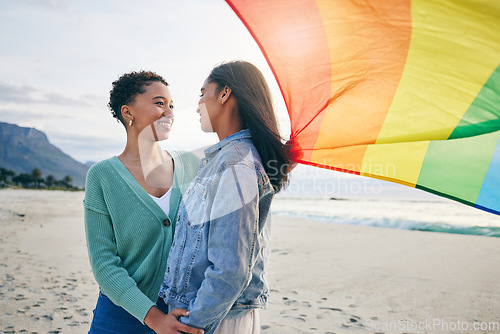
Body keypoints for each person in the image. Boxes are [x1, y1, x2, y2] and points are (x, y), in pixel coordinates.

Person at [159, 61, 293, 334]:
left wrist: (193, 323)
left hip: (215, 319)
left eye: (202, 93)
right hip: (207, 312)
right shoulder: (222, 160)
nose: (197, 105)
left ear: (224, 94)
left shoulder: (236, 165)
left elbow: (230, 270)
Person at [84, 71, 204, 334]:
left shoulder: (192, 165)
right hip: (120, 314)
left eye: (172, 105)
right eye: (160, 103)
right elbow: (104, 262)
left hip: (183, 313)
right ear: (128, 112)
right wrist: (153, 318)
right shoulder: (102, 176)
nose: (169, 112)